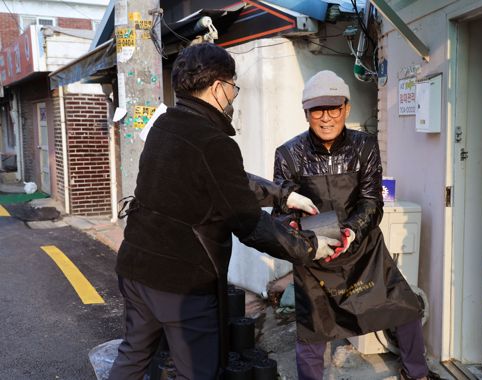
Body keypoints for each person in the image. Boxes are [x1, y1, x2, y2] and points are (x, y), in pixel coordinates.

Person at [108, 44, 340, 380]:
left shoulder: (163, 126)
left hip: (134, 267)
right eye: (233, 86)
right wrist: (308, 247)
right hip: (182, 284)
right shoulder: (214, 142)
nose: (234, 94)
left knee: (133, 356)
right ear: (218, 87)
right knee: (199, 372)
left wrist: (283, 196)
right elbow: (248, 222)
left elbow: (222, 181)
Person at [272, 70, 440, 380]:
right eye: (317, 110)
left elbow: (371, 201)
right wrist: (305, 239)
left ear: (346, 108)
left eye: (333, 108)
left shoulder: (364, 146)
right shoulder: (288, 154)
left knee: (405, 308)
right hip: (315, 254)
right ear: (306, 113)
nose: (326, 118)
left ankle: (417, 373)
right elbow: (282, 212)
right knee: (313, 331)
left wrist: (351, 230)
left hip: (363, 249)